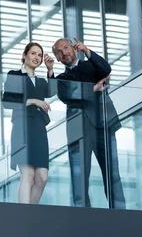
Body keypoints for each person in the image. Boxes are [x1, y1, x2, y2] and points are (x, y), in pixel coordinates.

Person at [46, 38, 126, 209]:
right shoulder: (62, 78)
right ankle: (82, 216)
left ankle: (120, 214)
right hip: (78, 128)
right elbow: (61, 94)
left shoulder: (90, 66)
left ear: (74, 49)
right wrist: (93, 89)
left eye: (66, 48)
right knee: (79, 175)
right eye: (59, 52)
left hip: (103, 123)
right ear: (58, 58)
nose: (64, 52)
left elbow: (106, 69)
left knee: (113, 173)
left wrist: (88, 51)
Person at [2, 42, 55, 204]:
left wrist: (50, 70)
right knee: (28, 175)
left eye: (39, 55)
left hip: (38, 129)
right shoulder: (15, 74)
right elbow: (7, 102)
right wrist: (33, 101)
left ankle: (29, 213)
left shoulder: (39, 81)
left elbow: (52, 91)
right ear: (24, 55)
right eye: (33, 53)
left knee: (42, 177)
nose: (36, 58)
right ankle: (25, 215)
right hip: (22, 128)